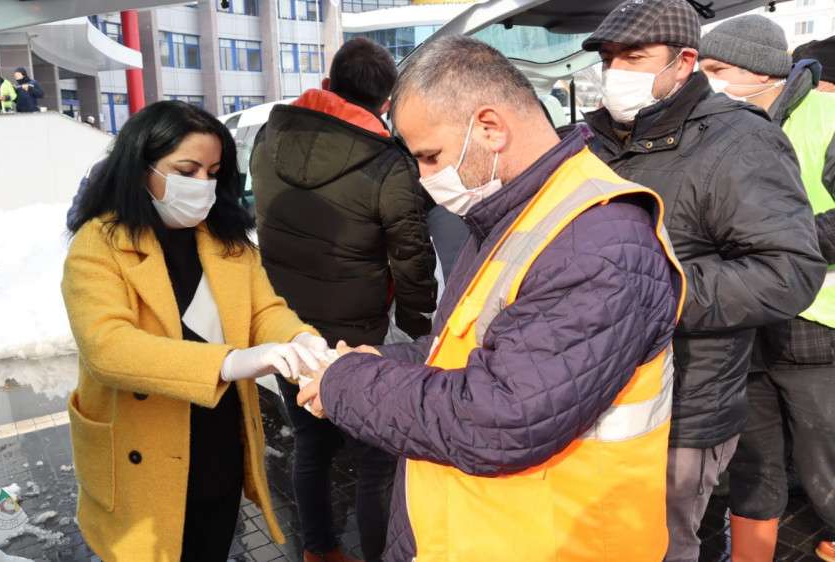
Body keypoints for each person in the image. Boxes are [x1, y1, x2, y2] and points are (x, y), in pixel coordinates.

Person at [298, 35, 685, 561]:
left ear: (489, 128)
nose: (425, 179)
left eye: (430, 157)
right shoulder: (521, 211)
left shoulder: (597, 242)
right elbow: (474, 348)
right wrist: (382, 361)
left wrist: (347, 384)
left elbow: (500, 417)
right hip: (481, 531)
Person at [578, 1, 827, 561]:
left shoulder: (739, 140)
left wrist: (657, 291)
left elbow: (789, 271)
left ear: (684, 61)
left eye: (634, 57)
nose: (615, 71)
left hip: (686, 404)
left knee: (663, 543)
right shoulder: (592, 138)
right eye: (609, 57)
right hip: (594, 388)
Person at [61, 101, 329, 562]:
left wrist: (298, 339)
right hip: (140, 452)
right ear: (140, 167)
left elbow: (264, 311)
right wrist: (230, 362)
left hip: (217, 442)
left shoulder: (226, 241)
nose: (202, 184)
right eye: (187, 171)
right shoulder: (99, 245)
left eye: (213, 172)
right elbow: (108, 348)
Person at [250, 37, 437, 562]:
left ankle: (319, 550)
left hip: (288, 325)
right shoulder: (388, 163)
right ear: (386, 103)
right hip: (360, 331)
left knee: (310, 444)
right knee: (377, 458)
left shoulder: (270, 136)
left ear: (329, 85)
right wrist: (418, 325)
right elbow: (411, 254)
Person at [699, 15, 835, 562]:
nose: (706, 80)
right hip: (742, 318)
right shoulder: (714, 126)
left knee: (824, 447)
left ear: (760, 70)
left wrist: (771, 241)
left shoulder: (827, 116)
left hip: (814, 320)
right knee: (753, 459)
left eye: (717, 68)